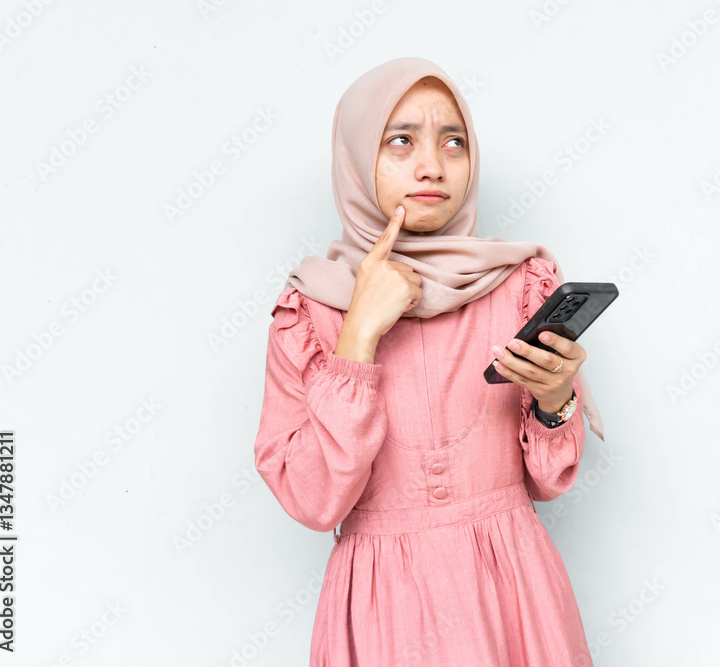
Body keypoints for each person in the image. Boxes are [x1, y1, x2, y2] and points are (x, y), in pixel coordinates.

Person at [253, 56, 605, 667]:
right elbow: (314, 502)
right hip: (382, 607)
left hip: (513, 594)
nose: (432, 167)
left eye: (453, 141)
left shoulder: (519, 285)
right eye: (400, 140)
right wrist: (358, 334)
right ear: (357, 158)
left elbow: (549, 481)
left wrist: (556, 399)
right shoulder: (310, 311)